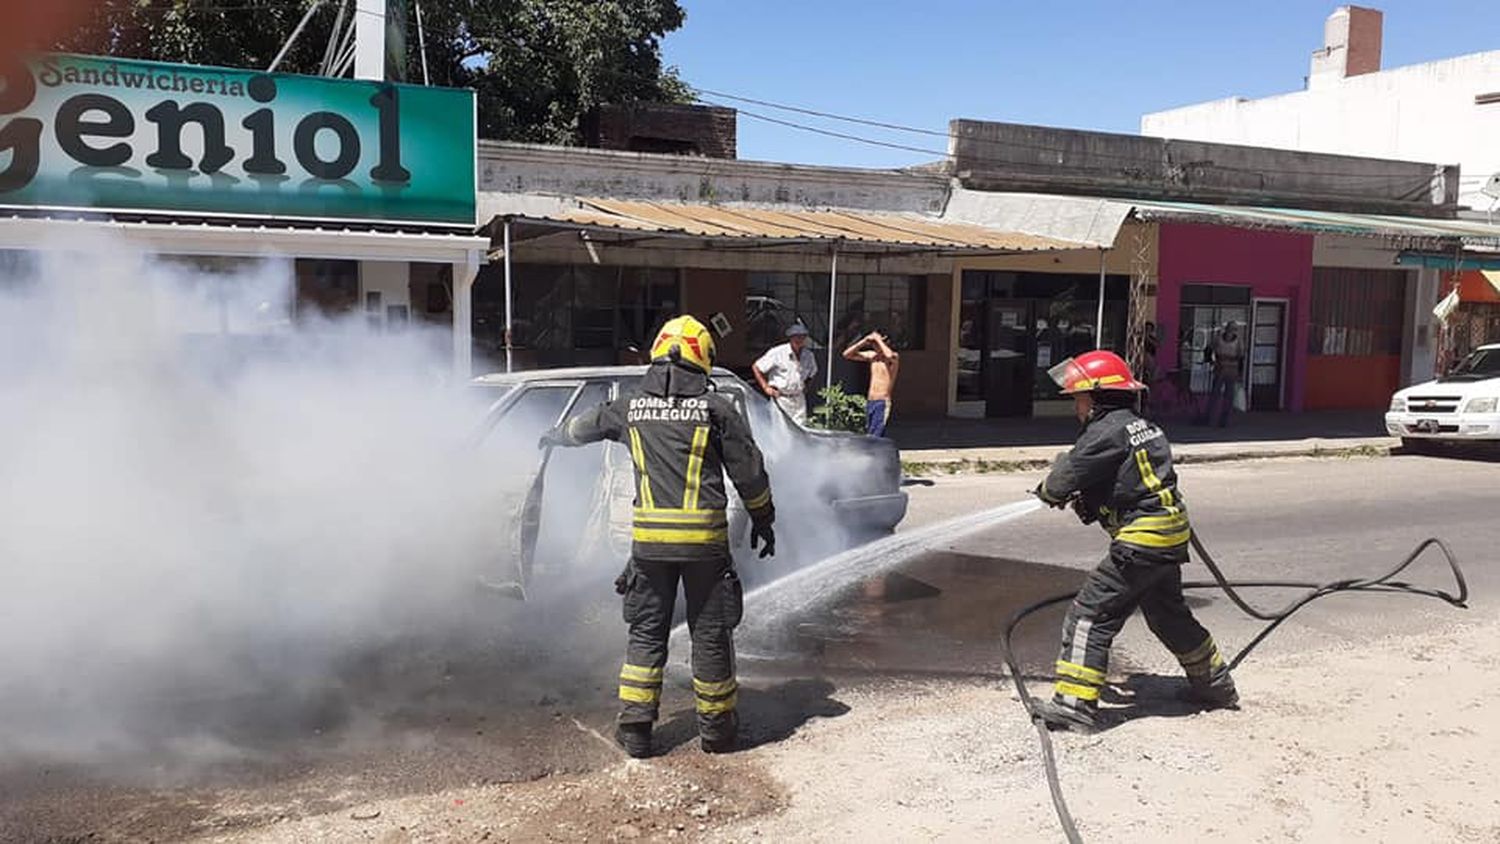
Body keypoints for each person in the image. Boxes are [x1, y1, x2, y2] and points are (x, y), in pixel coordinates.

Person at [541, 315, 776, 758]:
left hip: (649, 546)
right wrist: (764, 518)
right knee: (710, 635)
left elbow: (583, 427)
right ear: (703, 357)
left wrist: (554, 437)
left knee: (646, 633)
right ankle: (717, 732)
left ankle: (635, 729)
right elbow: (749, 473)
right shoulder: (716, 410)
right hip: (705, 546)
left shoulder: (630, 408)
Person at [1030, 349, 1238, 734]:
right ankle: (1216, 686)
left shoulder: (1101, 432)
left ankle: (1074, 705)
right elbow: (1128, 479)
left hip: (1142, 540)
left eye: (1078, 398)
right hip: (1169, 534)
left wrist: (1048, 490)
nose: (1076, 406)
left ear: (1096, 398)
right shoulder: (1144, 426)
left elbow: (1060, 482)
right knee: (1168, 617)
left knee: (1089, 616)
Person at [752, 323, 819, 425]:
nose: (799, 340)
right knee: (780, 429)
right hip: (781, 398)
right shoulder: (777, 353)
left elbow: (812, 373)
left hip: (798, 399)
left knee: (800, 430)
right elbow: (757, 367)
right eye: (796, 337)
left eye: (802, 337)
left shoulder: (808, 355)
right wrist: (765, 387)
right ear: (791, 338)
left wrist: (806, 387)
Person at [841, 330, 900, 437]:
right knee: (869, 432)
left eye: (878, 343)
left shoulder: (893, 358)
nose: (875, 346)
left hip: (882, 401)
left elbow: (889, 355)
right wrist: (864, 341)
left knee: (877, 433)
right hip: (871, 401)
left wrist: (878, 339)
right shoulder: (872, 356)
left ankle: (877, 452)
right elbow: (847, 354)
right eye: (874, 344)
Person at [1197, 321, 1246, 427]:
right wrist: (1210, 361)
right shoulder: (1218, 339)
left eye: (1234, 329)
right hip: (1219, 369)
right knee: (1215, 394)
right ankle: (1208, 418)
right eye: (1230, 328)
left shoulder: (1238, 342)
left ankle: (1224, 420)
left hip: (1232, 370)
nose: (1231, 331)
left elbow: (1241, 358)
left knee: (1229, 396)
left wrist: (1240, 373)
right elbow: (1208, 349)